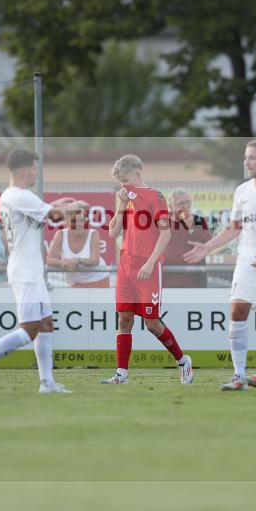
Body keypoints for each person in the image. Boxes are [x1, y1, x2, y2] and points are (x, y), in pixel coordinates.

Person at [0, 149, 89, 394]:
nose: (36, 172)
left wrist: (60, 205)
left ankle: (47, 383)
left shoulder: (13, 196)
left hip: (31, 270)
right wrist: (74, 205)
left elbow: (45, 213)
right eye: (34, 168)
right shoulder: (19, 195)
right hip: (25, 272)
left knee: (46, 325)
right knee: (30, 328)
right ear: (23, 171)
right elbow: (53, 215)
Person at [184, 140, 256, 392]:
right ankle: (238, 376)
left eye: (252, 158)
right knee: (237, 312)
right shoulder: (242, 191)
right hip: (246, 263)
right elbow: (234, 228)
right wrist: (207, 247)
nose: (246, 162)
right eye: (245, 157)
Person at [100, 154, 193, 385]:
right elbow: (112, 233)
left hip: (147, 266)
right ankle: (121, 374)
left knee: (152, 323)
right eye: (120, 182)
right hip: (125, 266)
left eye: (126, 180)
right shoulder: (124, 197)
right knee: (124, 319)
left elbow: (165, 233)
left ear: (138, 173)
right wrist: (121, 204)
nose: (124, 185)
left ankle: (183, 361)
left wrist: (151, 262)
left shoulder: (155, 196)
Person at [46, 208, 110, 288]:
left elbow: (95, 261)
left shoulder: (93, 234)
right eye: (74, 221)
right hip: (75, 281)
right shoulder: (61, 234)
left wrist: (77, 261)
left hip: (97, 279)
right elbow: (49, 260)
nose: (79, 224)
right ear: (67, 223)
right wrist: (64, 263)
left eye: (82, 220)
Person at [163, 188, 213, 288]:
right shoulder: (163, 221)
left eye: (188, 202)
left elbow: (208, 242)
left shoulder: (198, 220)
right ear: (171, 206)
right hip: (166, 274)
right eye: (181, 203)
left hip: (192, 275)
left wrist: (191, 225)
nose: (185, 206)